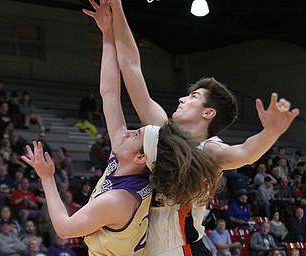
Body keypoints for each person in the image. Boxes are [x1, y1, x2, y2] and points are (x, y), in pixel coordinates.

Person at [82, 0, 299, 255]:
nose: (183, 98)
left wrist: (271, 132)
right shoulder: (159, 129)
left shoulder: (208, 150)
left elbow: (244, 154)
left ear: (209, 113)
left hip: (181, 249)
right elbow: (130, 67)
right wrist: (117, 9)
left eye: (194, 96)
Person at [22, 4, 220, 255]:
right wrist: (106, 32)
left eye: (135, 134)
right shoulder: (126, 159)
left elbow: (64, 228)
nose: (126, 132)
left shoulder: (120, 199)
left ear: (140, 156)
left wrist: (47, 177)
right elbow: (109, 94)